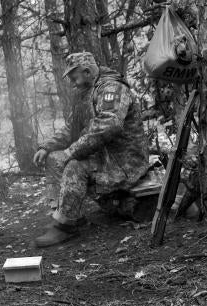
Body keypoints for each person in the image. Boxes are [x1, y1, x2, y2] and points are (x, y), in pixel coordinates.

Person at [33, 52, 149, 248]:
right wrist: (47, 146)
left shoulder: (112, 88)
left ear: (87, 72)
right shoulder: (87, 93)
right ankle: (67, 215)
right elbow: (72, 128)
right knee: (53, 158)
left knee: (75, 165)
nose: (72, 83)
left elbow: (109, 125)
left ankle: (66, 228)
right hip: (104, 156)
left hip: (124, 161)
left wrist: (72, 152)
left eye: (74, 77)